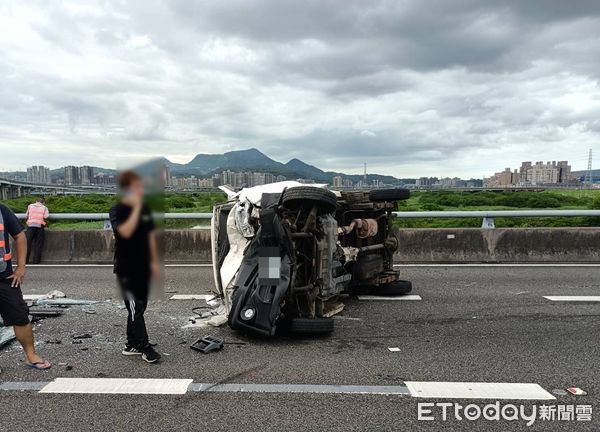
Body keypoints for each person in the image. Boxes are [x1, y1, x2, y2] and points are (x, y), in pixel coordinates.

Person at [109, 171, 161, 364]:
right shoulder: (116, 211)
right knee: (135, 308)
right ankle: (144, 347)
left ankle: (131, 344)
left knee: (140, 307)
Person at [0, 202, 51, 370]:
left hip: (5, 277)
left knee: (20, 316)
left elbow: (20, 236)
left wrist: (21, 267)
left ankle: (31, 355)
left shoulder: (2, 210)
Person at [25, 196, 49, 264]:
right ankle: (36, 261)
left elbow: (26, 215)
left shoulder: (30, 206)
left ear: (36, 201)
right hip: (39, 226)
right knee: (38, 244)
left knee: (28, 244)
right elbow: (46, 216)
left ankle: (25, 260)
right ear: (43, 202)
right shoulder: (44, 208)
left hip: (30, 226)